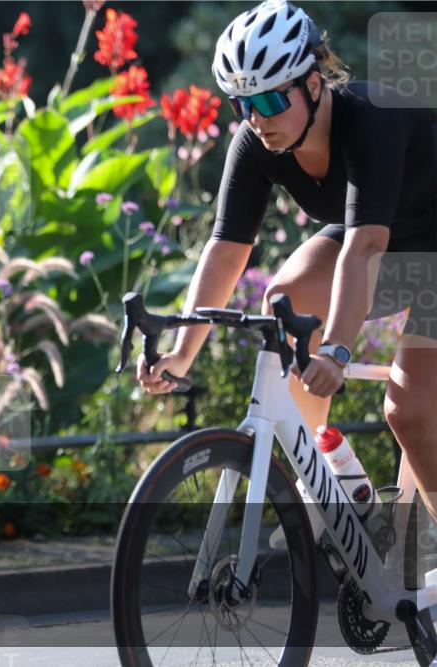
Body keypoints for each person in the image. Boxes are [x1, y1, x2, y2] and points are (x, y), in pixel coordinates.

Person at [137, 1, 437, 517]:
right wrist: (182, 354)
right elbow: (227, 249)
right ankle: (333, 478)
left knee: (407, 411)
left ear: (313, 84)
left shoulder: (369, 120)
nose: (256, 119)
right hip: (384, 245)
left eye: (272, 101)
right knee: (286, 304)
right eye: (242, 104)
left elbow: (364, 247)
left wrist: (338, 353)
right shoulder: (255, 142)